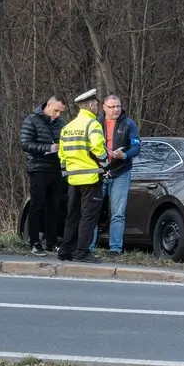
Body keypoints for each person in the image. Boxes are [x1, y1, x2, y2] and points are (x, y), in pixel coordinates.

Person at [56, 89, 108, 264]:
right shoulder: (93, 125)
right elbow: (98, 148)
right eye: (96, 104)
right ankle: (82, 252)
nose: (97, 108)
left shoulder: (68, 127)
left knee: (72, 215)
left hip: (73, 178)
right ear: (91, 105)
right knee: (88, 217)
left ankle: (65, 250)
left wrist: (66, 171)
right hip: (91, 178)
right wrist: (105, 165)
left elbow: (62, 154)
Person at [88, 94, 141, 256]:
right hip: (99, 173)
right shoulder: (95, 123)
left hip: (120, 173)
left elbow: (136, 147)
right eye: (112, 107)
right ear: (104, 107)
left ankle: (115, 248)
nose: (116, 109)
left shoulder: (128, 123)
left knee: (118, 213)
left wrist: (123, 155)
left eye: (118, 106)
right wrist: (100, 165)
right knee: (92, 211)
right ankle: (88, 246)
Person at [19, 94, 68, 255]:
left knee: (54, 207)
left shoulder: (61, 123)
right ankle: (34, 241)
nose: (58, 114)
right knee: (37, 206)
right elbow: (25, 143)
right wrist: (48, 148)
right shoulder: (32, 120)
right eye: (56, 110)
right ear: (48, 106)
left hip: (56, 169)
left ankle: (51, 242)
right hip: (38, 168)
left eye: (61, 112)